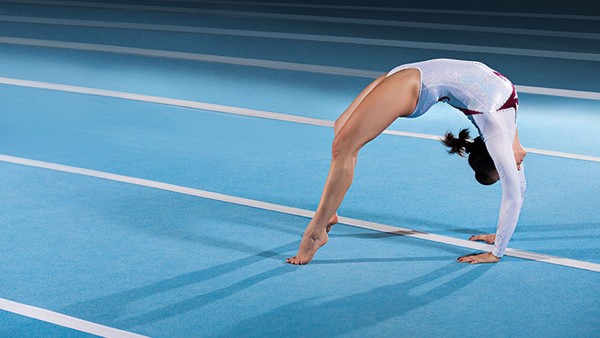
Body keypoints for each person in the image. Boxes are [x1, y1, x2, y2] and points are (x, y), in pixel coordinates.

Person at [286, 58, 527, 265]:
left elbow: (518, 187)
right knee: (341, 133)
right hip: (414, 83)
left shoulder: (507, 126)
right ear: (497, 157)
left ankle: (319, 226)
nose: (516, 168)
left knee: (343, 144)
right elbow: (514, 195)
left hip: (413, 78)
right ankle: (324, 223)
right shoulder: (497, 134)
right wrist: (497, 253)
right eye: (509, 168)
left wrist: (499, 235)